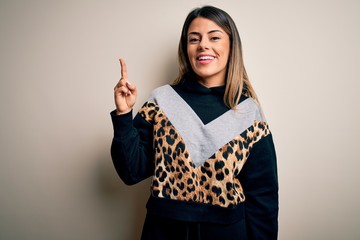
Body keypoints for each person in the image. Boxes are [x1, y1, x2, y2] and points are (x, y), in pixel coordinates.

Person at [111, 5, 278, 240]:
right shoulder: (162, 101)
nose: (203, 45)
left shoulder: (249, 113)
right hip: (163, 231)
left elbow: (264, 197)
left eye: (214, 37)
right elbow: (131, 171)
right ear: (186, 48)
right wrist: (123, 115)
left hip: (228, 233)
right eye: (194, 39)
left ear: (231, 46)